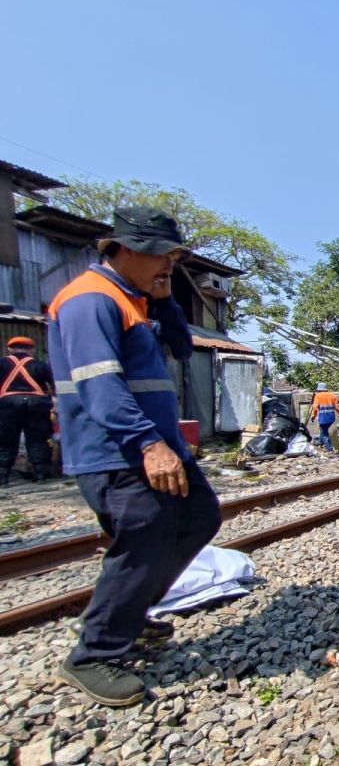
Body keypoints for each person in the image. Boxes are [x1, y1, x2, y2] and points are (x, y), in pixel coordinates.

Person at [48, 207, 222, 707]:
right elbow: (101, 384)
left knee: (198, 517)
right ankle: (93, 655)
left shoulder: (135, 299)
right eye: (159, 254)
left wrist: (166, 302)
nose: (169, 263)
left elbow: (181, 348)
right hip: (118, 450)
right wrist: (148, 443)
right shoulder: (89, 300)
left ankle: (131, 614)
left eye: (174, 254)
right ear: (121, 249)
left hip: (153, 445)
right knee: (144, 535)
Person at [0, 336, 55, 485]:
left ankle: (3, 478)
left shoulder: (1, 363)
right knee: (38, 439)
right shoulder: (40, 365)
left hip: (8, 404)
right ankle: (41, 476)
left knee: (6, 440)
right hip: (37, 404)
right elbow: (54, 386)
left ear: (9, 349)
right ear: (31, 350)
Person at [309, 382, 339, 451]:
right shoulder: (333, 396)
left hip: (323, 418)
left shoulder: (318, 396)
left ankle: (329, 448)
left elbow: (315, 408)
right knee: (323, 431)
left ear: (319, 389)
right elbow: (337, 407)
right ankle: (321, 444)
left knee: (324, 433)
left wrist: (313, 416)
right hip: (331, 418)